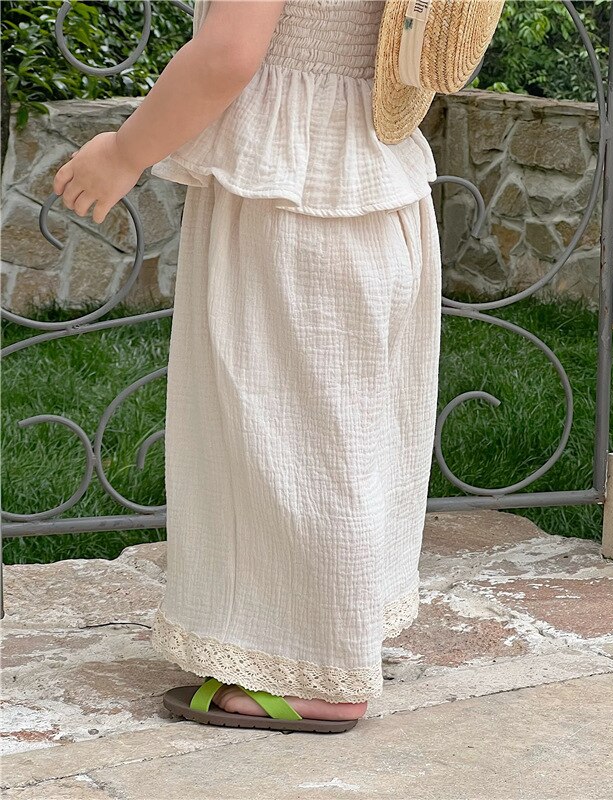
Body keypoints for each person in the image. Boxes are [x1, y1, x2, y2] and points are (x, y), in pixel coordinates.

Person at [53, 0, 441, 732]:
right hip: (365, 176)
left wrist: (125, 152)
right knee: (337, 440)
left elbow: (229, 52)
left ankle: (318, 672)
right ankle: (324, 633)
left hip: (295, 197)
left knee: (283, 443)